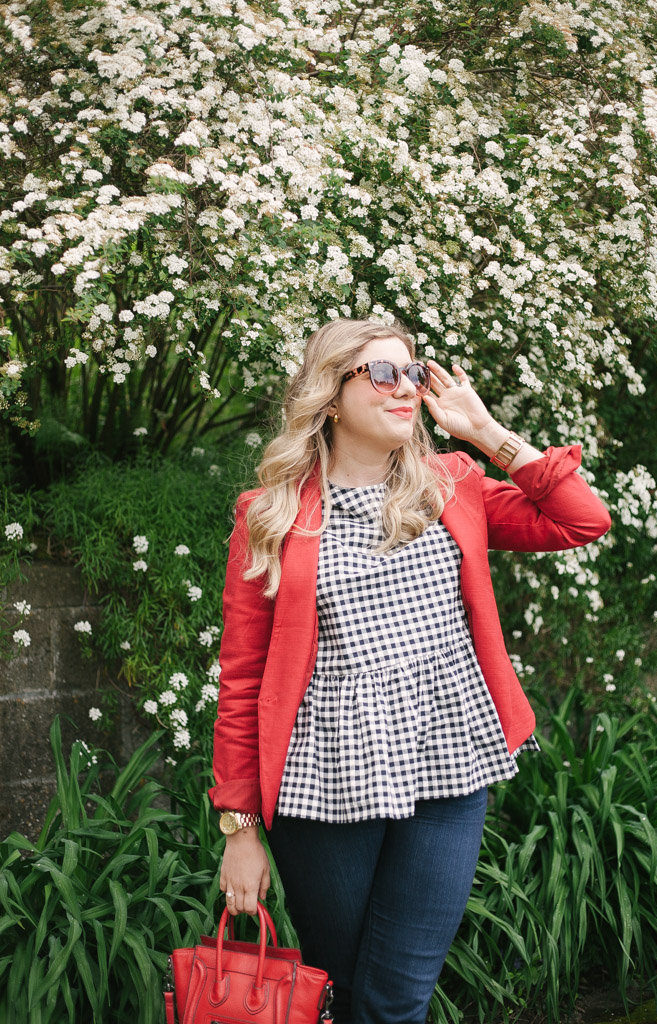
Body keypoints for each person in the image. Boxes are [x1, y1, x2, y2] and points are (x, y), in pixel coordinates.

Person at [209, 317, 611, 1024]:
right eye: (382, 374)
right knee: (347, 989)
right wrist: (240, 830)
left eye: (414, 372)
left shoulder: (450, 486)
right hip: (324, 784)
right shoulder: (269, 515)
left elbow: (580, 520)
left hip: (445, 767)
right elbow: (242, 680)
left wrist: (487, 434)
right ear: (330, 396)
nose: (406, 389)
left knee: (395, 998)